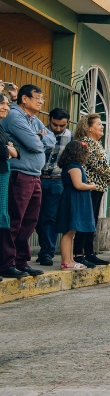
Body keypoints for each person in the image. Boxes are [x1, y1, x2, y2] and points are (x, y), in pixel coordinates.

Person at [0, 84, 56, 278]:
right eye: (37, 98)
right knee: (15, 219)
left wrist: (39, 137)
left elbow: (52, 141)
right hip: (20, 174)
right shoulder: (15, 115)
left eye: (42, 98)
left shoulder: (31, 118)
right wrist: (39, 138)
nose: (40, 101)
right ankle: (6, 262)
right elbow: (34, 144)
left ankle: (21, 261)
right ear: (24, 99)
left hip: (34, 175)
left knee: (29, 221)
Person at [72, 113, 110, 268]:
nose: (101, 126)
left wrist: (108, 177)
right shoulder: (87, 142)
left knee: (92, 221)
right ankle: (80, 253)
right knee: (87, 220)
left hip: (98, 187)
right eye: (98, 124)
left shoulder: (96, 143)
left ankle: (89, 253)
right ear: (89, 128)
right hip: (90, 187)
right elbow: (98, 164)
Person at [35, 108, 71, 267]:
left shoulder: (71, 136)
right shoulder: (40, 132)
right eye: (55, 125)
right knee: (35, 217)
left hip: (57, 180)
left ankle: (47, 253)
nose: (57, 128)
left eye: (61, 126)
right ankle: (44, 248)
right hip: (39, 177)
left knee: (50, 217)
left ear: (67, 123)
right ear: (50, 120)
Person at [55, 141, 97, 270]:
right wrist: (92, 186)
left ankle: (70, 260)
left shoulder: (73, 166)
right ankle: (66, 261)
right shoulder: (74, 166)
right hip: (73, 199)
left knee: (71, 231)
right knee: (69, 231)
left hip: (75, 198)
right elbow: (78, 184)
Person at [0, 90, 18, 281]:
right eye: (3, 104)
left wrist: (9, 149)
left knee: (3, 219)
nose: (7, 108)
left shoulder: (1, 128)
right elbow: (4, 152)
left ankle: (6, 264)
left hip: (4, 175)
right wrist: (8, 149)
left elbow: (15, 151)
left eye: (8, 104)